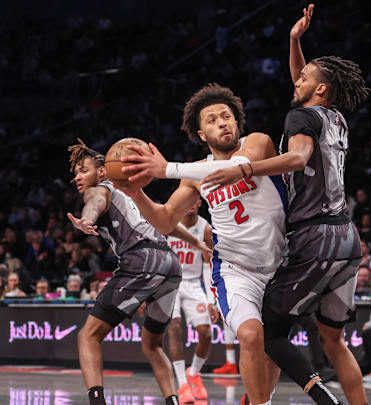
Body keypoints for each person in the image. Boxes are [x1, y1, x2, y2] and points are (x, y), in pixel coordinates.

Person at [200, 5, 371, 404]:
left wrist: (243, 171)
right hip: (349, 238)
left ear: (319, 89)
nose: (296, 81)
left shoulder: (299, 118)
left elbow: (295, 159)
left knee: (269, 331)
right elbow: (304, 81)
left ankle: (322, 400)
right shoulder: (334, 116)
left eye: (305, 78)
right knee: (333, 339)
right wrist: (295, 40)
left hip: (316, 235)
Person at [118, 83, 288, 405]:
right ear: (200, 133)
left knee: (274, 350)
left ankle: (257, 399)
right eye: (212, 120)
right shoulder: (195, 176)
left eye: (227, 116)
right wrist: (136, 193)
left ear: (238, 121)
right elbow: (167, 220)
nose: (223, 122)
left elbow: (237, 168)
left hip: (280, 265)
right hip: (236, 271)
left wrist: (166, 169)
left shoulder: (257, 143)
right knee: (251, 335)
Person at [64, 139, 208, 405]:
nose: (78, 177)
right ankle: (173, 401)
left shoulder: (98, 191)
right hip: (170, 265)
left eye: (84, 170)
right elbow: (164, 221)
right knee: (152, 344)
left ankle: (97, 402)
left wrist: (87, 220)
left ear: (103, 172)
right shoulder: (131, 193)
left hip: (142, 261)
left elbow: (93, 204)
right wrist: (196, 242)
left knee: (88, 335)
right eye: (75, 173)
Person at [165, 199, 217, 402]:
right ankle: (182, 384)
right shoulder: (169, 222)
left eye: (196, 200)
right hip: (171, 283)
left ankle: (194, 373)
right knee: (174, 327)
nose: (192, 204)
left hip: (194, 283)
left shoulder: (205, 229)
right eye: (189, 200)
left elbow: (207, 265)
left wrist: (211, 299)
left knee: (206, 333)